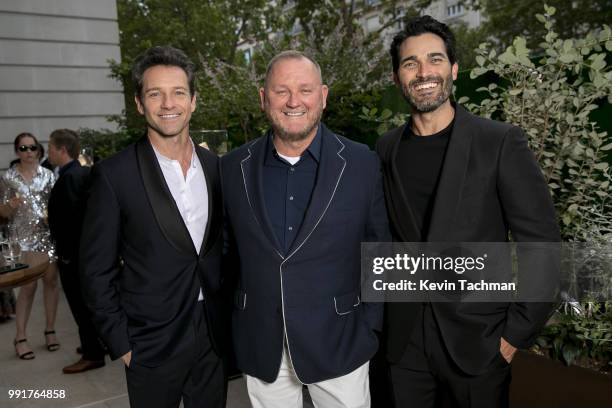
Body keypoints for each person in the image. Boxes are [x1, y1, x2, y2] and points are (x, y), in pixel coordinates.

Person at [375, 16, 561, 408]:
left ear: (454, 69)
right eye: (410, 63)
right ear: (397, 78)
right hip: (403, 346)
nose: (424, 72)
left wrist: (514, 337)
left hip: (479, 343)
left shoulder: (498, 142)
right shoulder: (385, 149)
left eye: (435, 59)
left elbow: (542, 244)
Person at [221, 50, 390, 408]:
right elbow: (226, 253)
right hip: (263, 344)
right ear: (263, 99)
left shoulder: (361, 161)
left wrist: (369, 325)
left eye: (305, 90)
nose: (294, 101)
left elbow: (378, 249)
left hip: (340, 341)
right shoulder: (232, 168)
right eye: (281, 91)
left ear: (323, 96)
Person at [79, 45, 227, 408]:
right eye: (154, 93)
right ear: (139, 104)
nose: (168, 103)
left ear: (194, 100)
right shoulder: (114, 176)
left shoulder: (216, 167)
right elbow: (94, 270)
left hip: (214, 335)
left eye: (178, 92)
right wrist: (122, 344)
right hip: (150, 342)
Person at [47, 128, 106, 374]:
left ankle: (93, 354)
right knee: (87, 305)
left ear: (62, 150)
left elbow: (73, 222)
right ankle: (94, 345)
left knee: (81, 306)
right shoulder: (77, 172)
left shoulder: (71, 177)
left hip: (75, 257)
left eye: (50, 147)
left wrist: (69, 256)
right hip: (82, 255)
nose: (48, 152)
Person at [1, 132, 59, 360]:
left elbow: (56, 206)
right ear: (17, 152)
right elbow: (2, 213)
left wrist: (52, 218)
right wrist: (9, 206)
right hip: (21, 240)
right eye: (23, 148)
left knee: (51, 282)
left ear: (38, 150)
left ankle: (50, 330)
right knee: (27, 287)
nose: (28, 152)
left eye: (32, 148)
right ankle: (21, 337)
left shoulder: (48, 176)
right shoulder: (8, 178)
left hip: (46, 236)